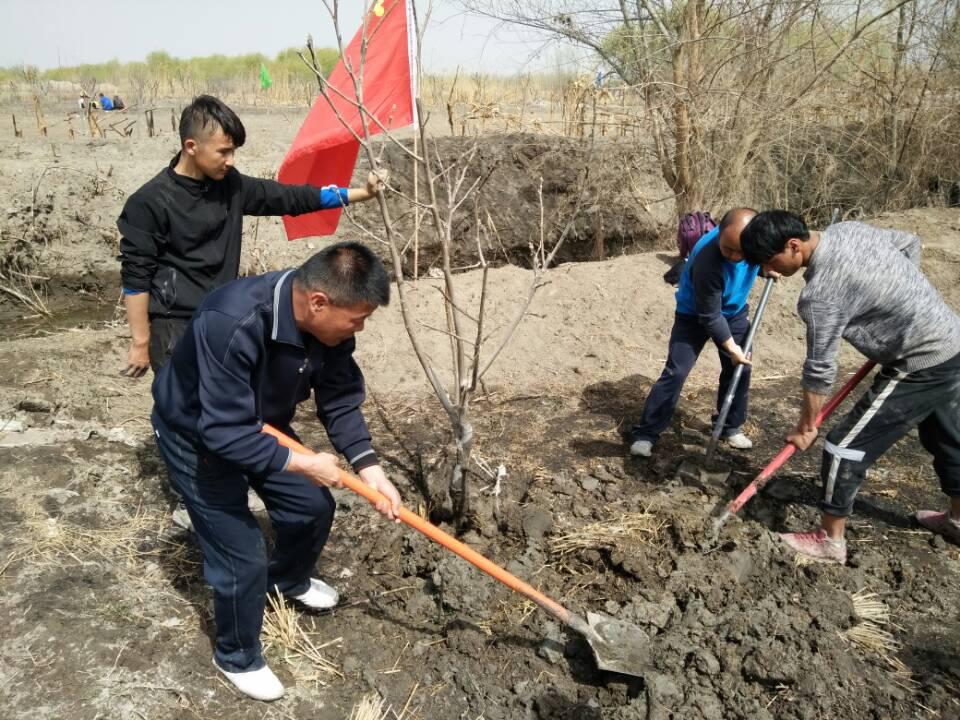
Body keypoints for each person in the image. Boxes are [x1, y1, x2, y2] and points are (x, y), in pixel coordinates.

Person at [152, 242, 402, 701]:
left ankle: (286, 579)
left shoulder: (330, 328)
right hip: (198, 432)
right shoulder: (233, 320)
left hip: (263, 425)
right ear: (318, 302)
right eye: (357, 319)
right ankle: (236, 656)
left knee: (312, 505)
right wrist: (305, 462)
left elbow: (340, 394)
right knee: (239, 553)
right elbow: (224, 432)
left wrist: (369, 467)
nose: (360, 328)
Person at [740, 211, 960, 564]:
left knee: (843, 447)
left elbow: (820, 369)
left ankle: (829, 541)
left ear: (793, 246)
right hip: (952, 340)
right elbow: (908, 243)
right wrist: (901, 299)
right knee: (946, 436)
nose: (768, 272)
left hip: (919, 360)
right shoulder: (849, 230)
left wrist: (806, 426)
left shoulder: (821, 294)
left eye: (769, 261)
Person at [117, 94, 386, 378]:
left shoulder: (230, 186)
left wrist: (361, 193)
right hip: (174, 328)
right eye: (224, 152)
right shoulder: (149, 203)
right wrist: (140, 342)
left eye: (234, 151)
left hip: (222, 317)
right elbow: (136, 279)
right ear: (191, 146)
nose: (231, 161)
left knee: (226, 406)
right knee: (184, 411)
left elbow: (290, 197)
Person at [627, 208, 761, 457]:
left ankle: (729, 426)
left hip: (735, 311)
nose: (733, 256)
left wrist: (766, 268)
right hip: (694, 314)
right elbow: (710, 315)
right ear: (719, 232)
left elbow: (763, 258)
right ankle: (646, 433)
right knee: (676, 371)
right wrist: (731, 347)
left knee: (741, 368)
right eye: (728, 248)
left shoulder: (758, 243)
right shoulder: (707, 260)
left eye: (740, 252)